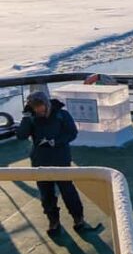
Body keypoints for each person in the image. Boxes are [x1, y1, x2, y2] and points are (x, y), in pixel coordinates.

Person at [15, 91, 89, 237]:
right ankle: (53, 221)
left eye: (40, 106)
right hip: (40, 161)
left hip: (60, 158)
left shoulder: (61, 115)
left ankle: (78, 218)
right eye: (35, 107)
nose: (39, 110)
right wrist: (25, 118)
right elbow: (21, 136)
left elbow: (72, 133)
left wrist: (56, 142)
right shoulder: (31, 118)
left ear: (46, 103)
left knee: (67, 190)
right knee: (46, 193)